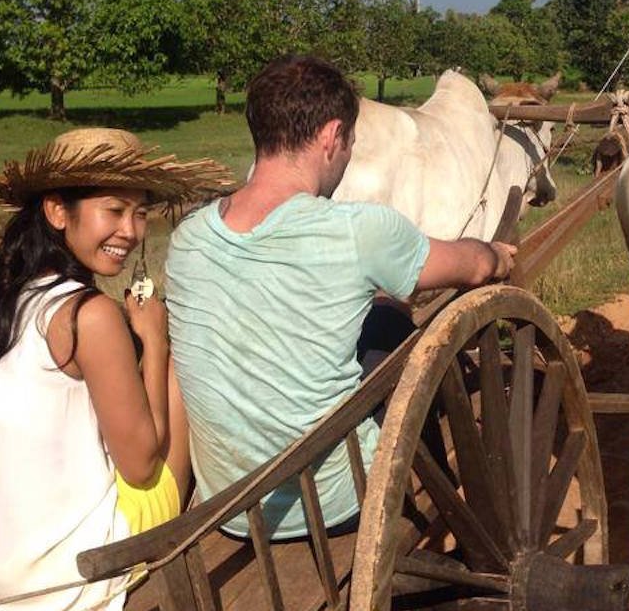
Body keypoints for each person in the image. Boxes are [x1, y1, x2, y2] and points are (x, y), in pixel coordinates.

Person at [165, 55, 516, 539]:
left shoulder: (188, 237)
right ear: (332, 137)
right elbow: (473, 265)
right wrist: (497, 255)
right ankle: (443, 490)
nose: (348, 153)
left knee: (377, 313)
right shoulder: (359, 230)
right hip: (333, 502)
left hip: (226, 505)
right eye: (350, 142)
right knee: (394, 317)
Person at [0, 128, 230, 610]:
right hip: (65, 577)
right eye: (114, 210)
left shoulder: (3, 297)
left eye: (140, 212)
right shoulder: (89, 315)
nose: (130, 231)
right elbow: (141, 464)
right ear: (57, 210)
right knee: (174, 369)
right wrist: (154, 341)